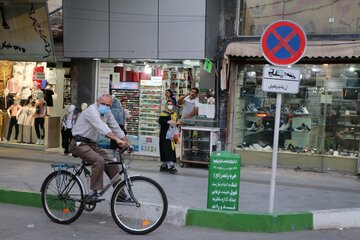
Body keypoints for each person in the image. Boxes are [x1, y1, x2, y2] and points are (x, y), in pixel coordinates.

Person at [69, 94, 129, 201]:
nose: (105, 106)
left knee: (112, 164)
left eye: (108, 105)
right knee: (99, 160)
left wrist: (127, 143)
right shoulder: (91, 111)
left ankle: (120, 194)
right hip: (78, 143)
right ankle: (94, 192)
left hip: (92, 144)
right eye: (103, 104)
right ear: (97, 102)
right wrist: (116, 140)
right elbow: (102, 127)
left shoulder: (107, 112)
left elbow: (116, 127)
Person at [158, 99, 178, 174]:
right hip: (164, 134)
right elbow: (160, 121)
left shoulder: (174, 114)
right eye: (168, 104)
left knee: (170, 148)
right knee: (165, 148)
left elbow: (176, 121)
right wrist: (167, 122)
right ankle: (169, 164)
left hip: (171, 134)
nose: (170, 106)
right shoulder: (163, 113)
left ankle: (166, 164)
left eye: (171, 104)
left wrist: (176, 123)